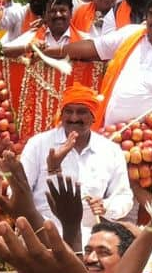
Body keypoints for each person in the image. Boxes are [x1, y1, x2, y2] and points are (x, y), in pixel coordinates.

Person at [45, 0, 152, 127]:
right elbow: (92, 47)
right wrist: (48, 52)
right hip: (110, 131)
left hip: (148, 140)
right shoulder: (131, 34)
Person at [19, 83, 133, 241]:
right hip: (43, 237)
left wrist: (106, 206)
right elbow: (18, 192)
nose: (74, 118)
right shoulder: (39, 144)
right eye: (68, 111)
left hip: (90, 242)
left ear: (94, 116)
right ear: (62, 114)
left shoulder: (110, 150)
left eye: (81, 112)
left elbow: (124, 197)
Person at [3, 0, 89, 57]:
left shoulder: (84, 40)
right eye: (52, 11)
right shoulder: (32, 37)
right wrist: (27, 48)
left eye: (62, 10)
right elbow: (2, 51)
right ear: (44, 15)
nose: (58, 15)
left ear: (70, 13)